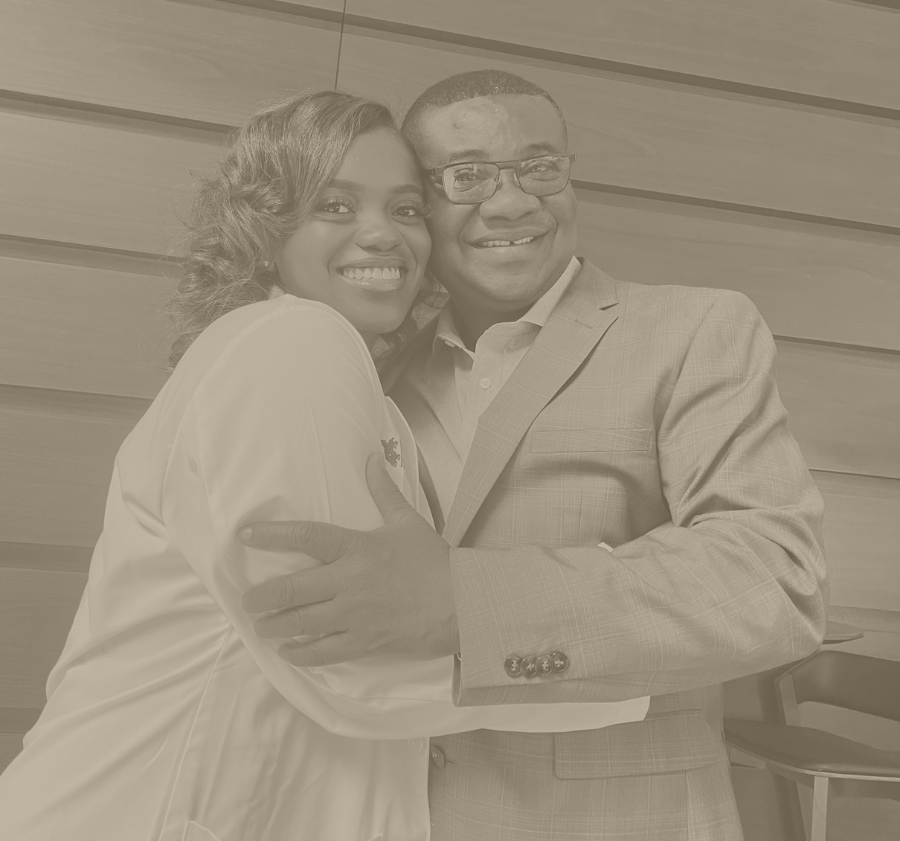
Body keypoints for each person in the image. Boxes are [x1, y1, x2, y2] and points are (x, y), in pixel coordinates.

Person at [0, 90, 649, 841]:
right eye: (336, 207)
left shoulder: (322, 370)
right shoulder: (294, 340)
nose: (383, 235)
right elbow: (346, 657)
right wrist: (624, 634)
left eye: (407, 210)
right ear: (266, 229)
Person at [240, 71, 829, 841]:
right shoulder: (371, 369)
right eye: (467, 176)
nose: (513, 202)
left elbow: (773, 583)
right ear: (420, 207)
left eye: (540, 167)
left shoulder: (694, 329)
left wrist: (466, 604)